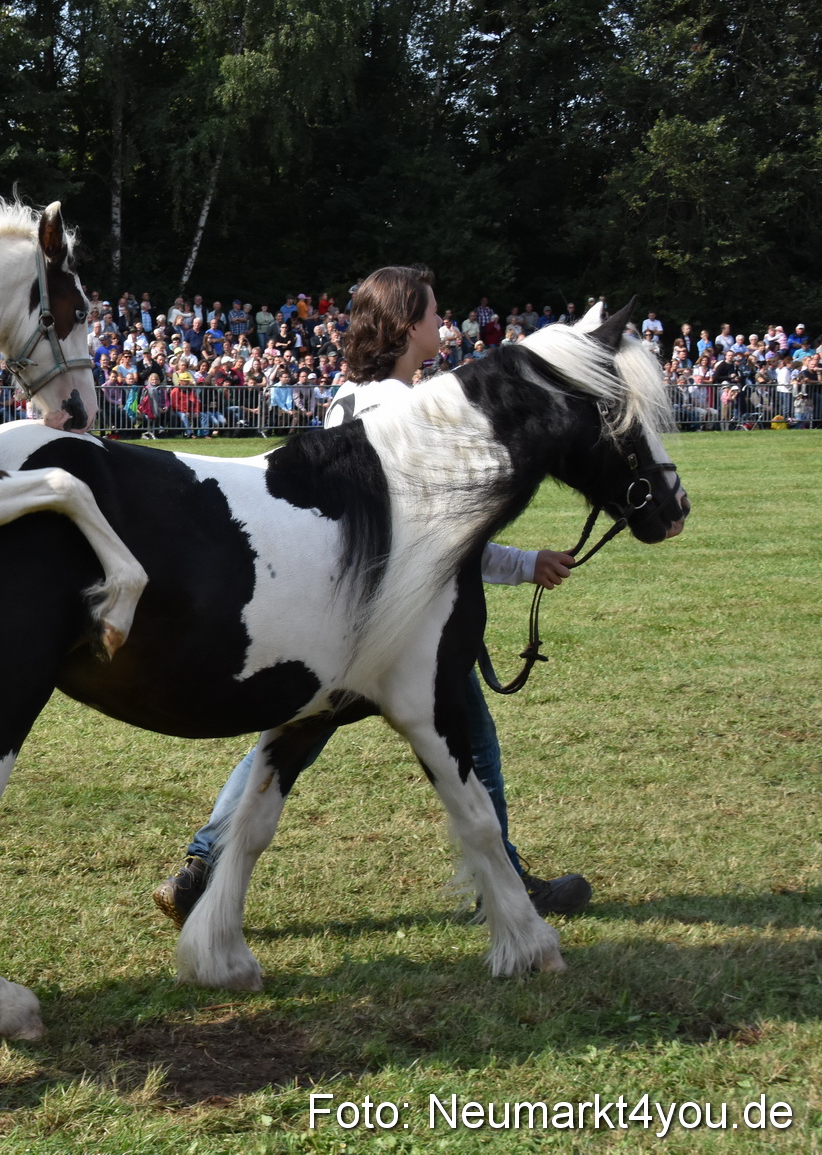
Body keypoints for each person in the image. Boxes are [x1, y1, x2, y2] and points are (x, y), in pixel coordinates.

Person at [153, 265, 593, 927]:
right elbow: (452, 536)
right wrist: (526, 563)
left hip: (338, 615)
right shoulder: (407, 412)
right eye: (435, 314)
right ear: (407, 323)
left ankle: (200, 866)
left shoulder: (343, 401)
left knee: (284, 738)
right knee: (471, 740)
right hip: (400, 623)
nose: (444, 325)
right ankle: (506, 886)